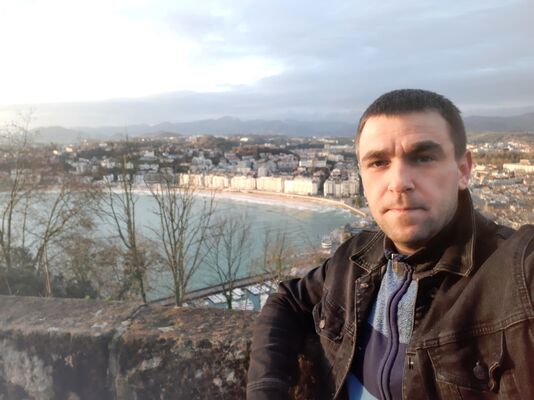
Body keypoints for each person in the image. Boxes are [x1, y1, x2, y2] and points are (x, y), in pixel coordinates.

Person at [247, 89, 534, 400]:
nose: (398, 182)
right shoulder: (355, 257)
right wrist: (266, 390)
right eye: (378, 162)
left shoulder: (516, 272)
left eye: (423, 158)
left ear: (463, 170)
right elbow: (288, 300)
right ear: (362, 178)